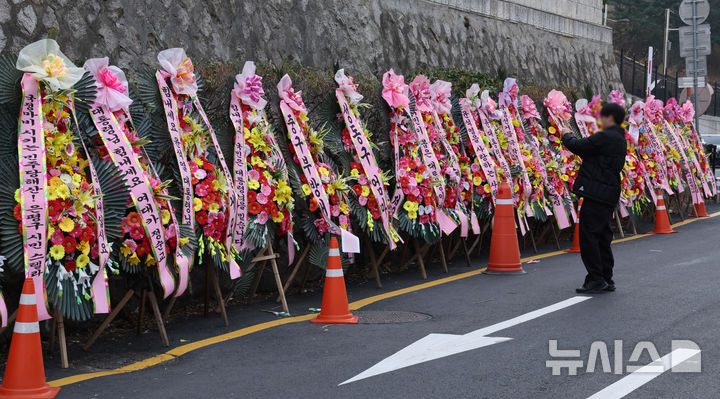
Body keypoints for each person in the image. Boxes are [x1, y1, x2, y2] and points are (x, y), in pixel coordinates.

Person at [561, 103, 627, 294]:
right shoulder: (619, 138)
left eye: (603, 116)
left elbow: (578, 146)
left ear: (610, 118)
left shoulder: (606, 136)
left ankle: (596, 279)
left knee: (589, 236)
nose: (601, 120)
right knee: (602, 236)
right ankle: (606, 277)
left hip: (597, 192)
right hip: (608, 192)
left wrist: (566, 134)